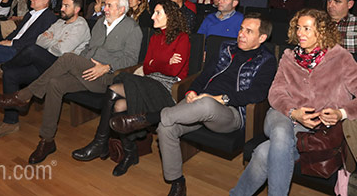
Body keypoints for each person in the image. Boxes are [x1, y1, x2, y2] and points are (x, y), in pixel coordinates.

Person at [111, 12, 277, 196]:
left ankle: (148, 118)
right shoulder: (226, 48)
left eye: (248, 31)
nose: (241, 34)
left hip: (230, 113)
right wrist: (192, 91)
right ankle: (177, 181)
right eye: (241, 29)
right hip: (198, 102)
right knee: (166, 128)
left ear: (262, 37)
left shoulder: (267, 61)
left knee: (205, 104)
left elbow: (257, 93)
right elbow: (204, 75)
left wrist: (220, 99)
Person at [231, 8, 357, 196]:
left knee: (264, 153)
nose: (299, 33)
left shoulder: (341, 58)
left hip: (316, 130)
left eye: (306, 28)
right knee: (280, 130)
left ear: (322, 31)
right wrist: (293, 112)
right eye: (298, 28)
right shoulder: (289, 57)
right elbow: (275, 92)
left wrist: (341, 113)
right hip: (282, 115)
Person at [0, 0, 143, 164]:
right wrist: (79, 65)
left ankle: (24, 95)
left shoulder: (132, 28)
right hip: (87, 71)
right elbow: (88, 49)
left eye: (109, 5)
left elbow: (131, 59)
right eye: (105, 4)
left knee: (68, 58)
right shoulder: (100, 23)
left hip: (107, 77)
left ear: (122, 9)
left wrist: (107, 67)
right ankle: (47, 141)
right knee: (55, 83)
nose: (104, 8)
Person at [72, 0, 190, 176]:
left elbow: (173, 70)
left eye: (157, 13)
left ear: (170, 16)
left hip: (167, 87)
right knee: (118, 104)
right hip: (148, 81)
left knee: (118, 82)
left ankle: (101, 143)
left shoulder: (183, 38)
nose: (152, 17)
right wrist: (162, 62)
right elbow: (148, 67)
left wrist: (155, 63)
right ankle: (128, 153)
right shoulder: (155, 37)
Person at [0, 0, 91, 139]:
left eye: (66, 6)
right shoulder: (60, 22)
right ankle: (10, 123)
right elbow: (39, 40)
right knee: (11, 74)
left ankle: (2, 67)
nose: (62, 8)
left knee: (31, 50)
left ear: (77, 9)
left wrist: (51, 40)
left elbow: (61, 50)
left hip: (64, 69)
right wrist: (54, 41)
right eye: (62, 5)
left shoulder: (80, 25)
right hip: (45, 63)